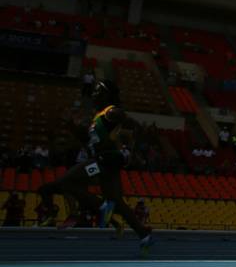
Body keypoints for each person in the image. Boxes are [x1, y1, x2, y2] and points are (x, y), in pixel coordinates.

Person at [37, 80, 154, 254]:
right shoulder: (98, 117)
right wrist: (71, 125)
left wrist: (128, 151)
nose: (94, 94)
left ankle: (101, 206)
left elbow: (134, 127)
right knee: (117, 202)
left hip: (104, 161)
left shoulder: (112, 112)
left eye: (98, 91)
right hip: (104, 162)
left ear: (107, 94)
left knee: (67, 182)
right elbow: (87, 140)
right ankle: (143, 234)